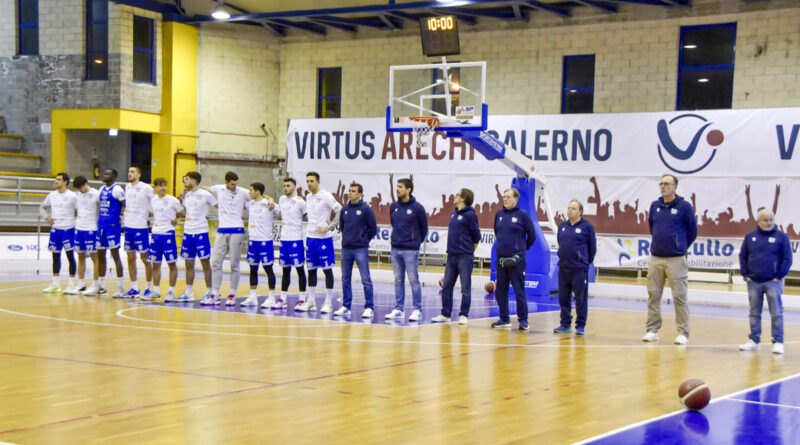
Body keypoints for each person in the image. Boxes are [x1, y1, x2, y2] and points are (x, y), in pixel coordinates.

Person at [642, 174, 697, 345]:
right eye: (661, 183)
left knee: (679, 296)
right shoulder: (655, 206)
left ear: (675, 187)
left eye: (667, 184)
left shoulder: (684, 207)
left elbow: (692, 231)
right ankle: (652, 330)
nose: (663, 186)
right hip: (656, 258)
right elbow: (652, 227)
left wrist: (679, 246)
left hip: (676, 259)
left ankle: (683, 332)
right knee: (653, 295)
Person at [738, 209, 792, 355]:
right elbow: (743, 256)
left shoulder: (781, 237)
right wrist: (745, 275)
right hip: (753, 282)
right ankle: (754, 340)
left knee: (776, 313)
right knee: (754, 313)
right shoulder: (750, 237)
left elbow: (787, 258)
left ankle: (778, 341)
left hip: (773, 282)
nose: (769, 223)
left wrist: (779, 276)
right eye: (765, 220)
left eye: (771, 220)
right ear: (758, 221)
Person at [431, 188, 480, 325]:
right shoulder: (454, 213)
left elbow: (476, 236)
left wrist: (468, 251)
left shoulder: (470, 215)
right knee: (446, 286)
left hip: (465, 257)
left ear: (463, 198)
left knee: (465, 287)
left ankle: (463, 314)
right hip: (451, 256)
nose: (455, 196)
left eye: (457, 195)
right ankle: (445, 314)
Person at [491, 188, 536, 330]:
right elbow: (497, 232)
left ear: (516, 199)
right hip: (501, 260)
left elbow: (532, 236)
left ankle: (523, 320)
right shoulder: (499, 215)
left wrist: (521, 251)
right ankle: (504, 318)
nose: (505, 199)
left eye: (508, 197)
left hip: (517, 260)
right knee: (500, 291)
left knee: (518, 291)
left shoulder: (523, 216)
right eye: (504, 197)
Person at [297, 172, 342, 313]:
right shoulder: (308, 196)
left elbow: (340, 210)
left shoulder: (326, 196)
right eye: (307, 181)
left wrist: (329, 227)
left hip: (324, 240)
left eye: (312, 181)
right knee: (311, 270)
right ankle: (311, 301)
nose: (309, 183)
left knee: (327, 270)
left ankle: (328, 303)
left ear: (318, 182)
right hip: (310, 238)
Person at [385, 178, 428, 322]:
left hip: (410, 250)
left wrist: (414, 242)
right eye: (397, 186)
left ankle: (417, 310)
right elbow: (394, 224)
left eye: (400, 187)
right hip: (395, 248)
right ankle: (399, 309)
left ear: (408, 190)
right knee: (398, 280)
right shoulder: (394, 207)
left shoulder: (418, 208)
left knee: (413, 280)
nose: (397, 189)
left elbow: (424, 228)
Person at [205, 171, 250, 306]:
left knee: (234, 264)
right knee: (215, 262)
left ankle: (232, 294)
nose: (234, 186)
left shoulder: (242, 192)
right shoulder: (218, 188)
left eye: (236, 184)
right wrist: (190, 188)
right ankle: (215, 294)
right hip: (222, 230)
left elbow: (259, 195)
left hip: (237, 230)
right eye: (232, 184)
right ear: (226, 182)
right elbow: (205, 188)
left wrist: (269, 200)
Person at [334, 182, 378, 318]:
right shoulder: (344, 210)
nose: (350, 193)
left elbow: (373, 229)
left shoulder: (366, 210)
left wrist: (363, 240)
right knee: (345, 279)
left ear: (360, 194)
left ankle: (369, 307)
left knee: (366, 279)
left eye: (353, 191)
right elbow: (342, 227)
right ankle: (346, 306)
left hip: (361, 249)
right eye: (349, 190)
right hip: (346, 248)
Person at [553, 199, 596, 335]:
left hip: (579, 270)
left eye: (573, 208)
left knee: (580, 298)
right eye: (569, 208)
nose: (570, 210)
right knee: (563, 298)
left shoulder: (587, 227)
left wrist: (583, 262)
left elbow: (592, 249)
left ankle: (580, 326)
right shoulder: (562, 226)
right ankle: (565, 324)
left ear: (580, 212)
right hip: (564, 269)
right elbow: (560, 243)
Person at [266, 177, 307, 310]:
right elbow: (276, 209)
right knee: (285, 270)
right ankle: (283, 298)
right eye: (284, 186)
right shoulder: (282, 199)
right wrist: (270, 199)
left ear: (294, 187)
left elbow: (309, 216)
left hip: (296, 240)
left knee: (300, 269)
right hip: (284, 240)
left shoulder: (300, 202)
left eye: (288, 185)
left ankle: (302, 299)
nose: (285, 188)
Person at [175, 171, 216, 303]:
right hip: (188, 232)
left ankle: (210, 291)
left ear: (193, 180)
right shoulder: (185, 195)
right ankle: (188, 292)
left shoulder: (206, 195)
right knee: (188, 263)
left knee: (205, 263)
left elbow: (219, 206)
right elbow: (183, 212)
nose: (184, 182)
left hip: (201, 232)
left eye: (187, 179)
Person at [39, 172, 78, 293]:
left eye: (59, 179)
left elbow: (79, 210)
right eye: (56, 179)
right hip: (55, 230)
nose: (56, 181)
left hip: (68, 229)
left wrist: (76, 222)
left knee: (70, 256)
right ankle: (55, 283)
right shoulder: (52, 195)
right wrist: (46, 218)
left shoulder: (72, 196)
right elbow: (42, 207)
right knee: (55, 256)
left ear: (65, 182)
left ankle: (71, 284)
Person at [242, 182, 279, 307]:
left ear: (258, 191)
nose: (249, 192)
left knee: (268, 269)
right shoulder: (250, 203)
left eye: (251, 190)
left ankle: (271, 297)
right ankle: (253, 297)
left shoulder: (269, 204)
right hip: (253, 241)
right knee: (253, 269)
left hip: (265, 241)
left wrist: (270, 199)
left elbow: (279, 211)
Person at [148, 178, 184, 302]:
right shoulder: (153, 200)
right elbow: (150, 213)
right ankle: (156, 291)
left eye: (165, 185)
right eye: (160, 186)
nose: (163, 188)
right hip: (155, 234)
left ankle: (171, 291)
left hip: (168, 234)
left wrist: (176, 219)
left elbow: (183, 212)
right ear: (155, 188)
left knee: (171, 264)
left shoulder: (172, 200)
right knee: (155, 264)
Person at [123, 166, 155, 299]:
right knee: (130, 258)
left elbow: (155, 202)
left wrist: (151, 214)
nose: (129, 174)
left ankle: (148, 288)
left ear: (139, 174)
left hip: (140, 227)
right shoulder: (127, 187)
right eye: (129, 172)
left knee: (145, 258)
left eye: (132, 172)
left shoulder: (146, 188)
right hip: (128, 226)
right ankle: (134, 287)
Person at [96, 169, 126, 298]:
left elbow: (125, 205)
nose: (104, 175)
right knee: (100, 255)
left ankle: (120, 287)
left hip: (113, 226)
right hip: (101, 225)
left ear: (114, 176)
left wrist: (121, 217)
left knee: (115, 256)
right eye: (104, 173)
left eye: (107, 174)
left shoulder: (117, 189)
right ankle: (101, 286)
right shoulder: (101, 189)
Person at [72, 176, 101, 295]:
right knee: (80, 256)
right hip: (79, 228)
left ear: (86, 184)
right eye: (78, 188)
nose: (80, 190)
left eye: (80, 187)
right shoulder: (78, 194)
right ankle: (81, 283)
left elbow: (103, 209)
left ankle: (96, 283)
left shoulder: (96, 194)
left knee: (95, 257)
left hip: (91, 229)